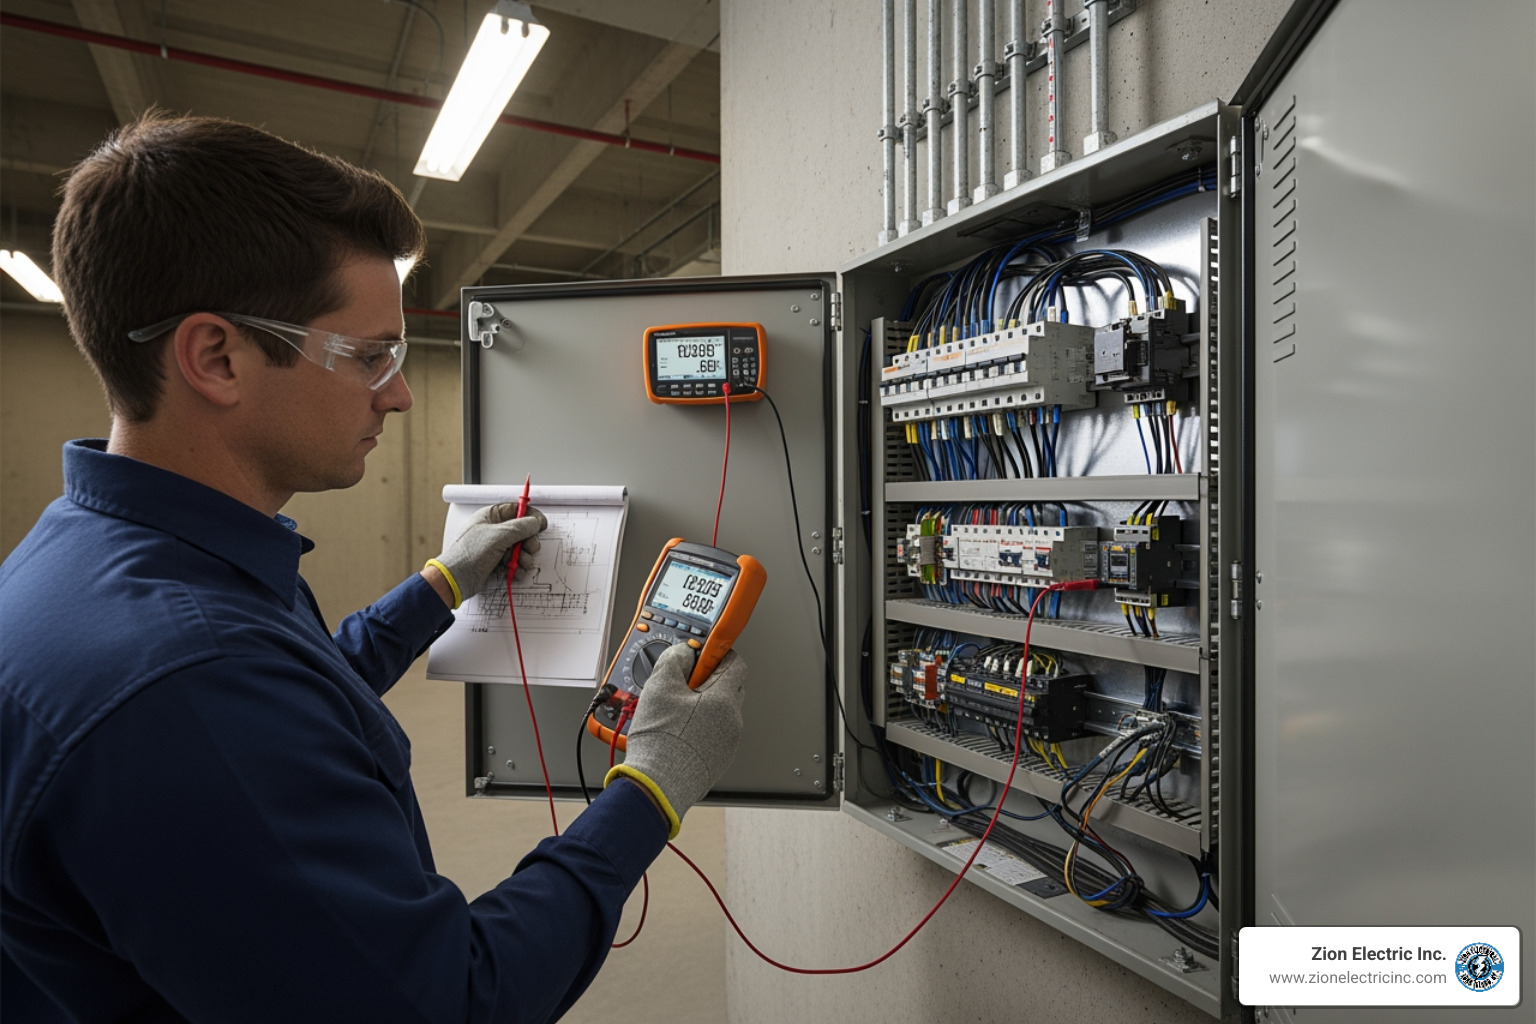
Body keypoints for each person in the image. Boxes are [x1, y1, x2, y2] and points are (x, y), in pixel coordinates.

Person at [0, 113, 747, 1023]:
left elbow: (295, 699)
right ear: (216, 356)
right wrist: (651, 789)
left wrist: (442, 585)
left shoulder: (98, 556)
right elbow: (451, 1001)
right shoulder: (188, 683)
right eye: (367, 355)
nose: (396, 392)